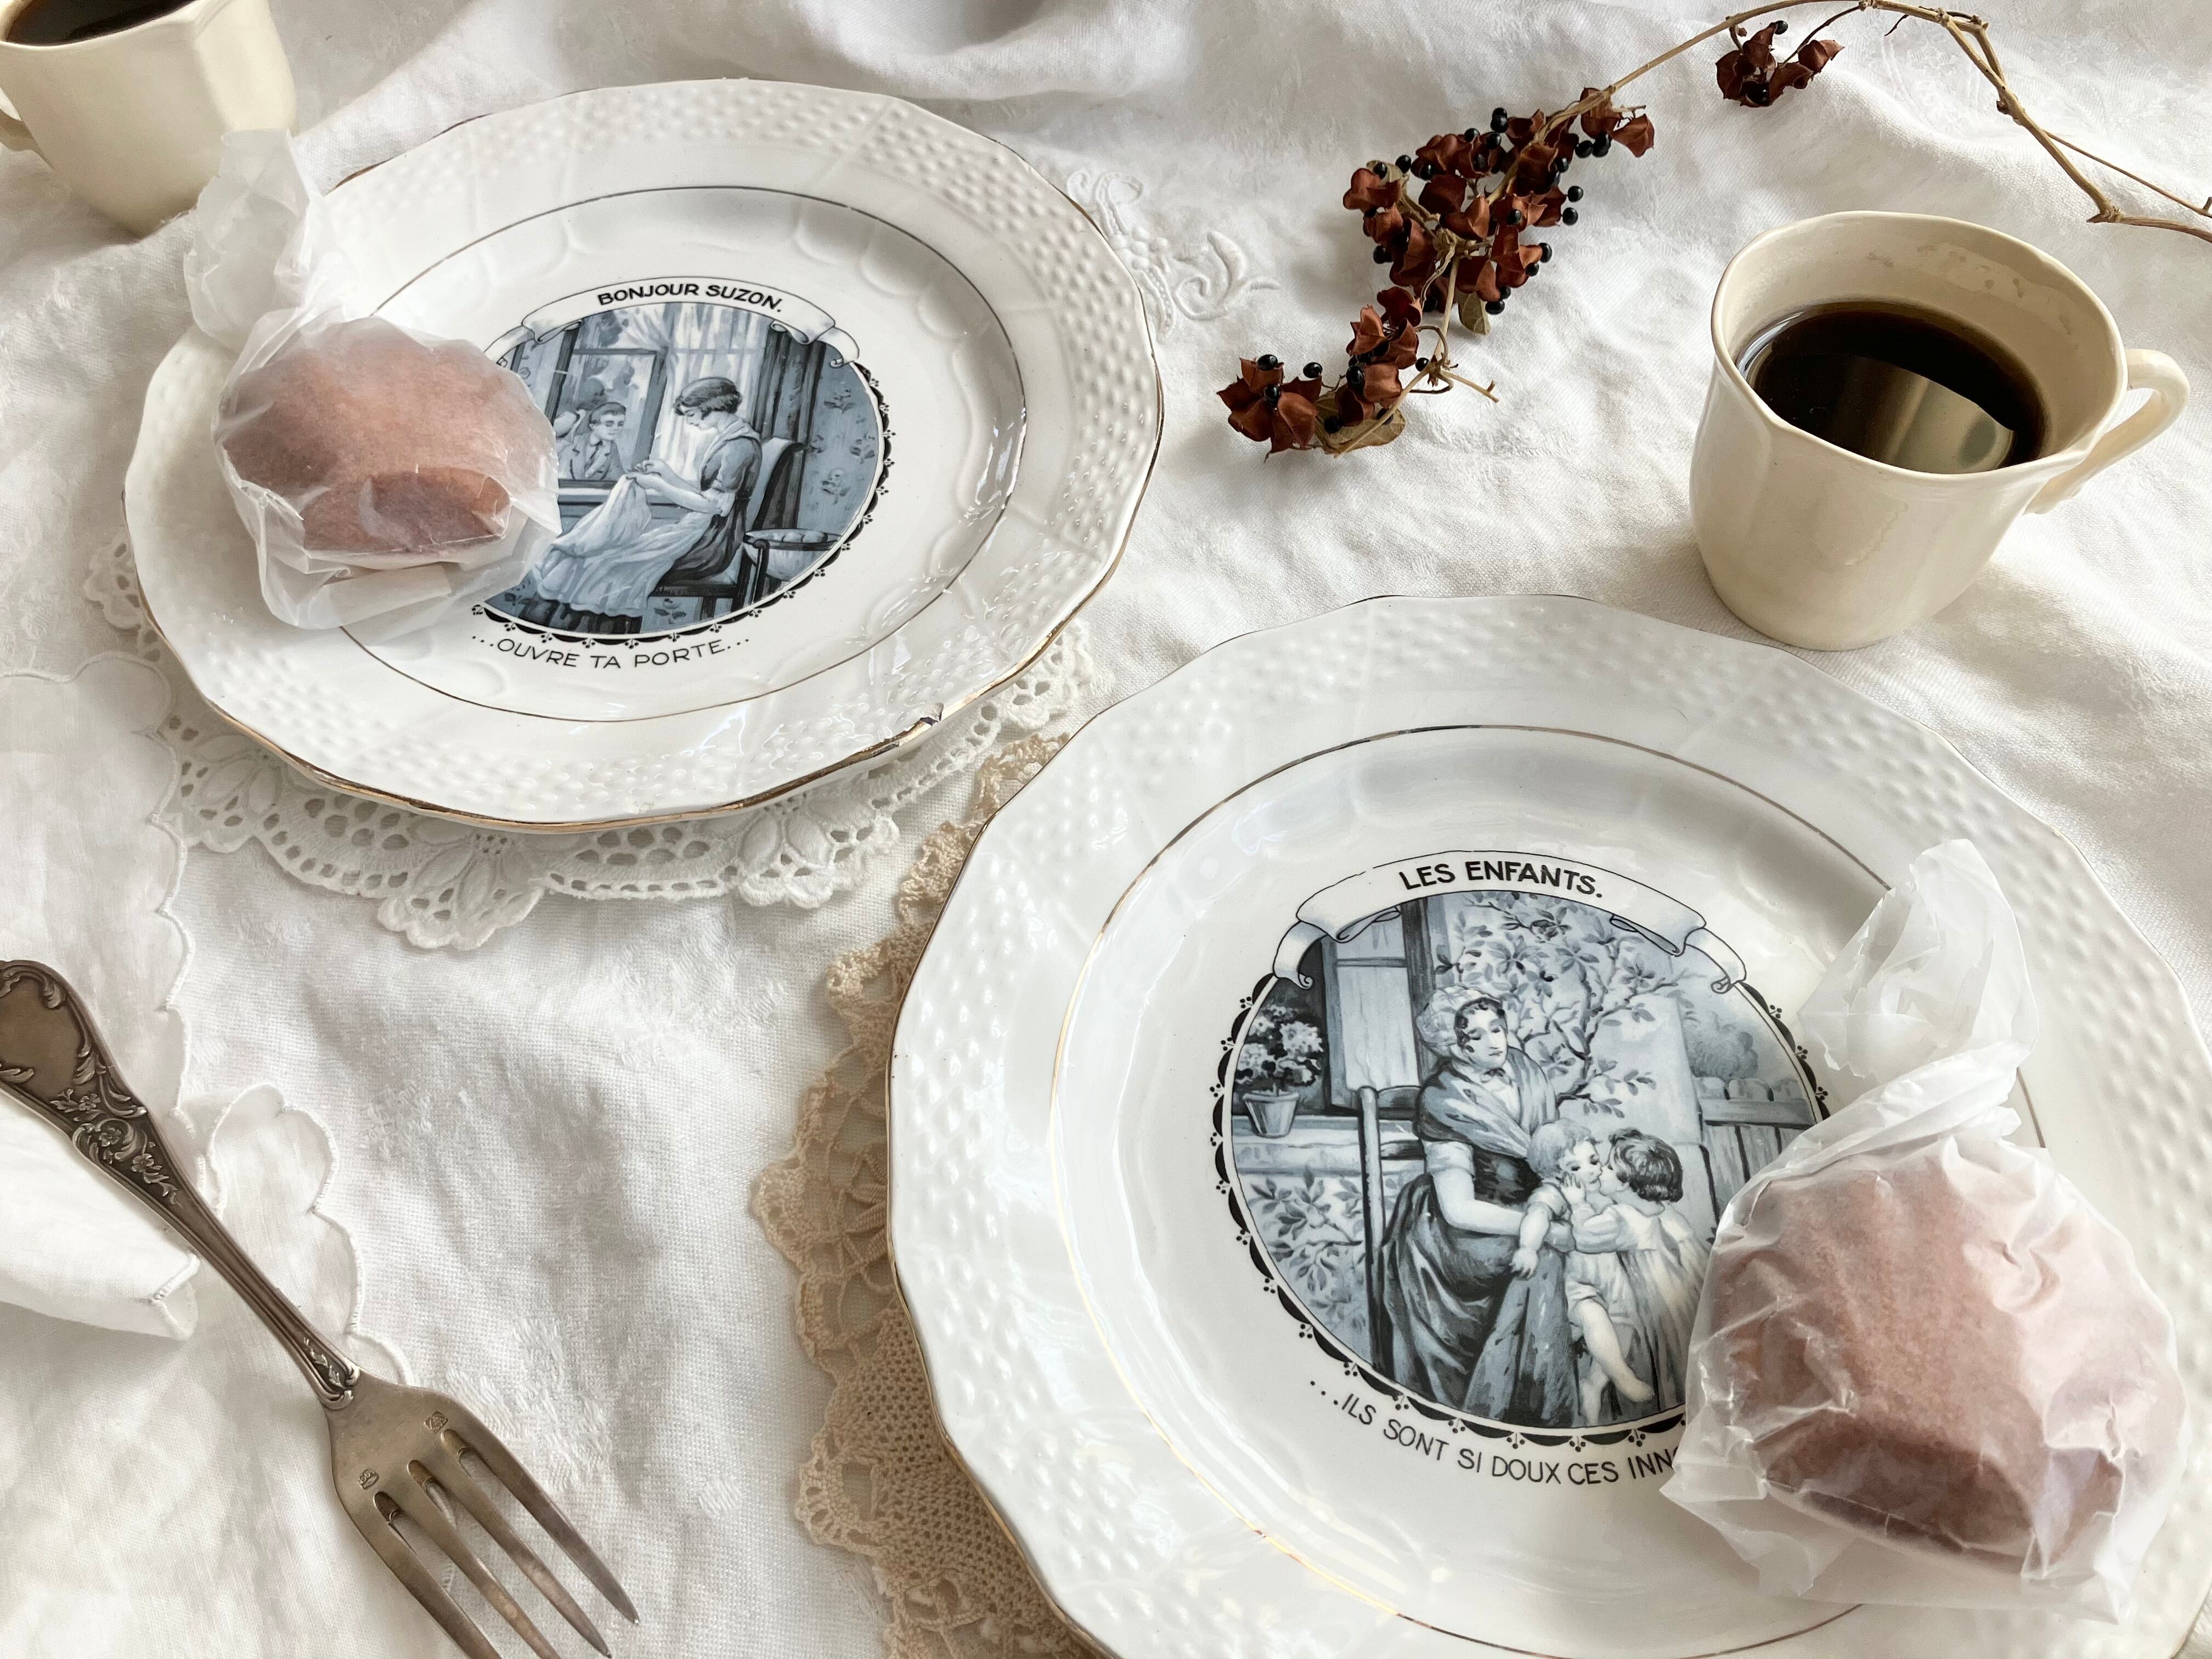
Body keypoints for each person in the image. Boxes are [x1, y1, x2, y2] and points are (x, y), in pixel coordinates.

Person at [1376, 987, 1579, 1426]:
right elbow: (1459, 1211)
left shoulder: (1527, 1072)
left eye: (1497, 1029)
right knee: (1542, 1259)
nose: (1494, 1042)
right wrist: (1542, 1227)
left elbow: (1552, 1157)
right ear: (1453, 1046)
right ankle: (1532, 1414)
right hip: (1456, 1237)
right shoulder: (1443, 1100)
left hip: (1530, 1209)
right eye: (1476, 1036)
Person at [503, 377, 764, 634]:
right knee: (589, 560)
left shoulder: (740, 446)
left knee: (606, 566)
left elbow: (716, 506)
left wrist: (659, 485)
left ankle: (588, 637)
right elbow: (707, 495)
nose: (690, 421)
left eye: (692, 415)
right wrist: (666, 473)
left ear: (713, 407)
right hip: (700, 529)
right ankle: (554, 631)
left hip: (712, 542)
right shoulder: (730, 439)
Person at [1514, 1124, 1657, 1421]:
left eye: (1594, 1160)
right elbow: (1537, 1216)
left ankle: (1594, 1385)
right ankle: (1622, 1376)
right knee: (1595, 1317)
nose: (1592, 1170)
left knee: (1624, 1324)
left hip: (1612, 1277)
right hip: (1578, 1282)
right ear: (1552, 1174)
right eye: (1576, 1167)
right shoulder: (1554, 1193)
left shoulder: (1597, 1190)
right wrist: (1527, 1247)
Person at [1567, 1129, 1713, 1414]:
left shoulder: (1623, 1219)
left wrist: (1578, 1204)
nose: (1601, 1171)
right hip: (1682, 1292)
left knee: (1649, 1353)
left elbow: (1584, 1237)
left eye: (1609, 1167)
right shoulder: (1664, 1211)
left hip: (1648, 1300)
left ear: (1625, 1182)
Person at [555, 401, 628, 481]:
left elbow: (618, 479)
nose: (616, 428)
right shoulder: (571, 443)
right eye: (609, 424)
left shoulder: (612, 448)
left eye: (620, 424)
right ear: (593, 426)